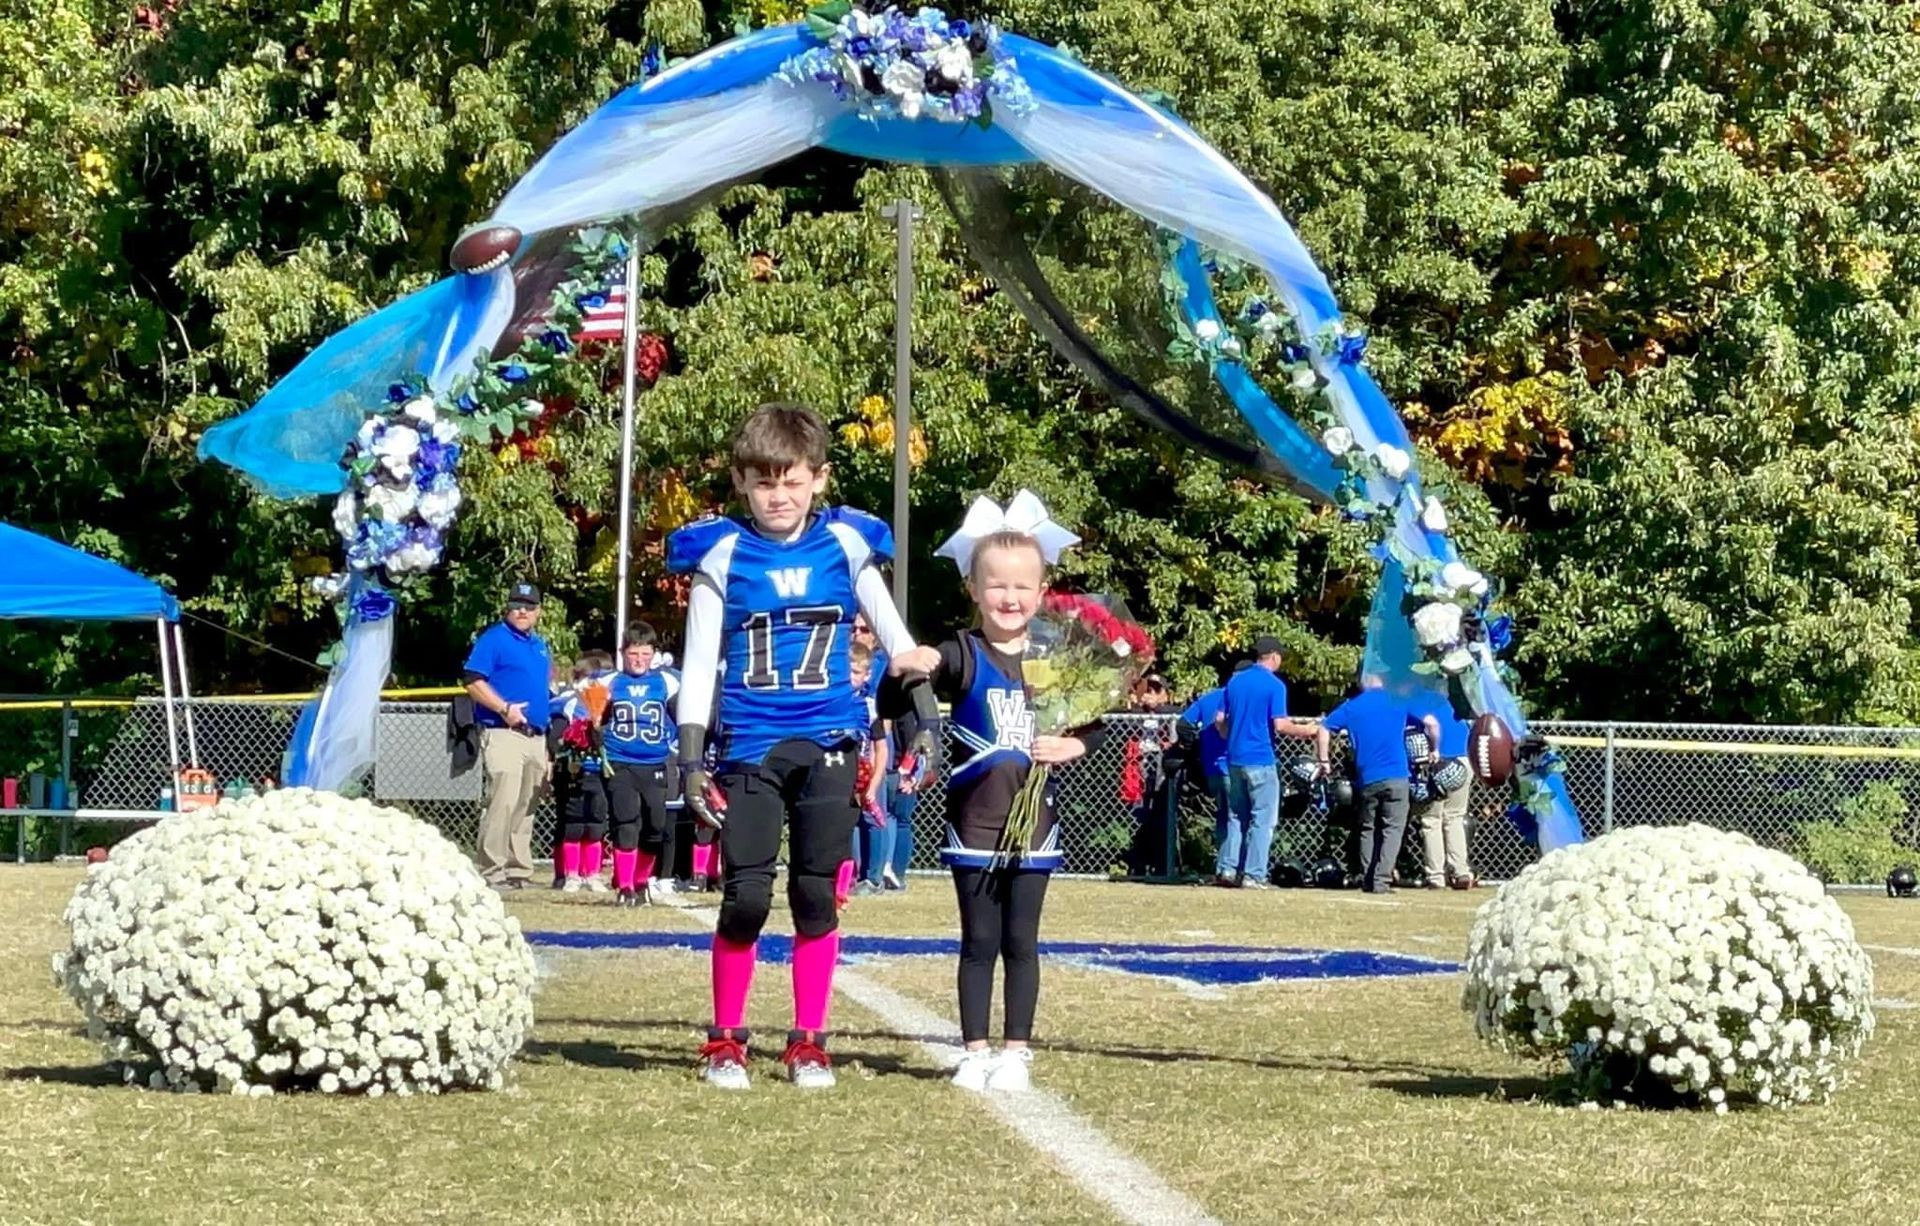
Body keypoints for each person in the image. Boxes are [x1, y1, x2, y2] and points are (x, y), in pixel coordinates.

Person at [669, 402, 934, 1091]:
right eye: (763, 483)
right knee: (747, 897)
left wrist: (927, 719)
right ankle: (725, 1036)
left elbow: (900, 644)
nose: (778, 496)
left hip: (830, 738)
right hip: (751, 742)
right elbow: (698, 665)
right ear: (740, 482)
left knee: (817, 896)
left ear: (818, 478)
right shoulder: (722, 553)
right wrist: (693, 757)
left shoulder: (847, 546)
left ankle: (809, 1040)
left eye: (790, 481)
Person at [885, 490, 1092, 1094]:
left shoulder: (1059, 656)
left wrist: (1077, 745)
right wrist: (907, 668)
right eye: (996, 585)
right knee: (979, 941)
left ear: (1042, 588)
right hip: (974, 822)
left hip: (1035, 826)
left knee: (1022, 942)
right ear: (973, 588)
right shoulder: (961, 651)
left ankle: (1016, 1052)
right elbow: (894, 702)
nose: (1010, 597)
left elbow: (1093, 720)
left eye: (1023, 586)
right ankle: (973, 1051)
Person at [464, 581, 553, 891]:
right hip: (504, 731)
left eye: (529, 606)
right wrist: (504, 708)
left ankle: (519, 869)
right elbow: (473, 682)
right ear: (507, 607)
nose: (522, 611)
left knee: (526, 804)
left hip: (535, 736)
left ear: (539, 611)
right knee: (502, 800)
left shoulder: (539, 645)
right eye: (517, 605)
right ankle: (492, 869)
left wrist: (547, 747)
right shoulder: (494, 639)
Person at [1315, 675, 1438, 894]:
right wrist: (1433, 749)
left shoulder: (1352, 707)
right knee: (1393, 829)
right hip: (1397, 775)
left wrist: (1324, 761)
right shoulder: (1397, 700)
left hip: (1367, 778)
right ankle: (1381, 879)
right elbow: (1431, 723)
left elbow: (1324, 728)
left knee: (1367, 828)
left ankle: (1368, 877)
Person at [1213, 637, 1317, 888]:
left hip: (1235, 758)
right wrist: (1309, 730)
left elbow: (1219, 720)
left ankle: (1227, 869)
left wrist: (1231, 734)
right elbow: (1280, 725)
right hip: (1261, 758)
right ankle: (1254, 874)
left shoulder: (1236, 682)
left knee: (1236, 816)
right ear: (1273, 656)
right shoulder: (1275, 685)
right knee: (1263, 819)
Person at [604, 621, 683, 907]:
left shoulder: (668, 681)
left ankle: (640, 881)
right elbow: (586, 717)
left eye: (645, 654)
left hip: (655, 761)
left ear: (654, 654)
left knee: (655, 827)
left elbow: (684, 715)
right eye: (634, 653)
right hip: (620, 760)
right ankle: (625, 886)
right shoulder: (608, 682)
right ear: (623, 653)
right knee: (625, 822)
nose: (639, 660)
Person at [550, 652, 614, 894]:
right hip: (575, 773)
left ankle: (592, 873)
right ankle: (570, 874)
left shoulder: (609, 702)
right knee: (573, 824)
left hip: (600, 771)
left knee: (596, 824)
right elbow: (556, 738)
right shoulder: (568, 703)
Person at [1406, 683, 1477, 889]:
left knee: (1431, 820)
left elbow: (1432, 725)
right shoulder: (1448, 701)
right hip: (1463, 759)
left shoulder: (1412, 701)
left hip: (1437, 763)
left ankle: (1436, 876)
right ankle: (1461, 871)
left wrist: (1434, 749)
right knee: (1454, 817)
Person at [1178, 663, 1246, 868]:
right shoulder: (1239, 699)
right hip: (1233, 766)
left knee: (1223, 817)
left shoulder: (1209, 697)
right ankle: (1230, 868)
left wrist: (1194, 750)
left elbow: (1184, 723)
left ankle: (1224, 864)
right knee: (1237, 817)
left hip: (1211, 769)